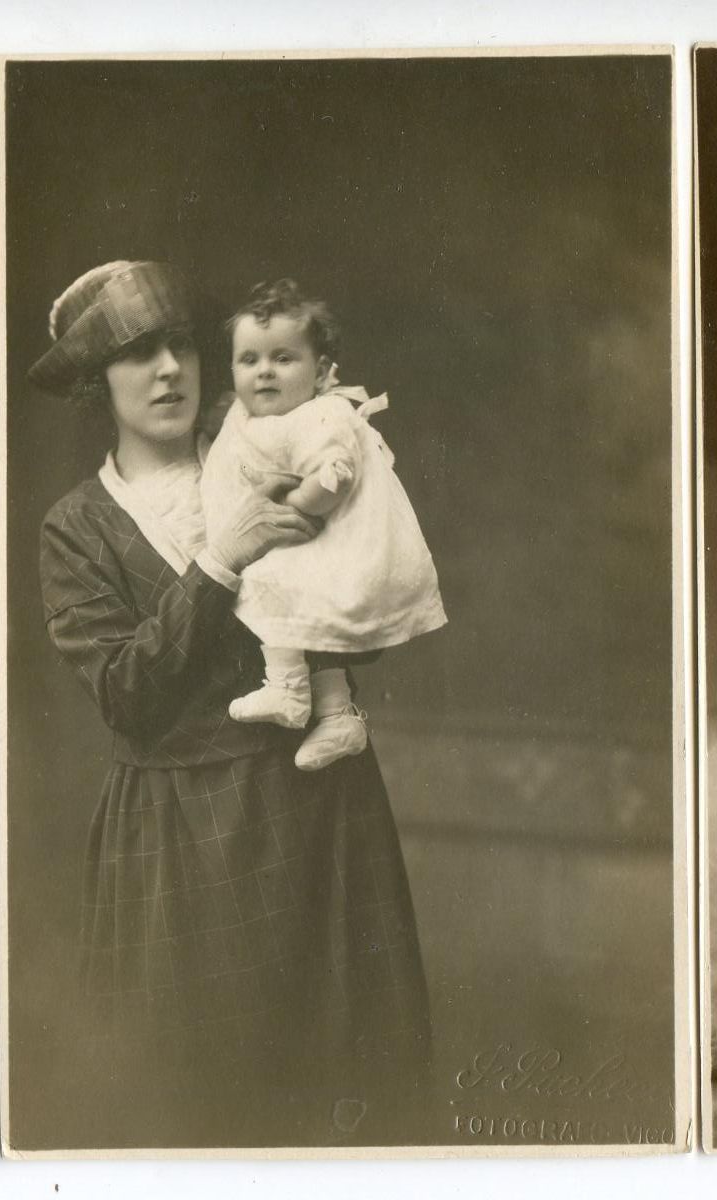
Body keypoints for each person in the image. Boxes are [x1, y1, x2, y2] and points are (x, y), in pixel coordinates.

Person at [31, 260, 432, 1146]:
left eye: (180, 345)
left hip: (319, 802)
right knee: (197, 1102)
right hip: (178, 834)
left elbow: (361, 583)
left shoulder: (270, 450)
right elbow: (126, 696)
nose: (169, 369)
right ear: (100, 382)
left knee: (346, 1078)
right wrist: (224, 560)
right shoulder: (77, 527)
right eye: (138, 354)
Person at [201, 279, 446, 771]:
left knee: (274, 584)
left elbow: (333, 480)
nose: (264, 372)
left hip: (341, 542)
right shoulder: (249, 417)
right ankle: (338, 717)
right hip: (309, 545)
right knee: (307, 618)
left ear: (322, 373)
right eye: (249, 360)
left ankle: (289, 691)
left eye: (283, 358)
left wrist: (293, 500)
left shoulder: (322, 415)